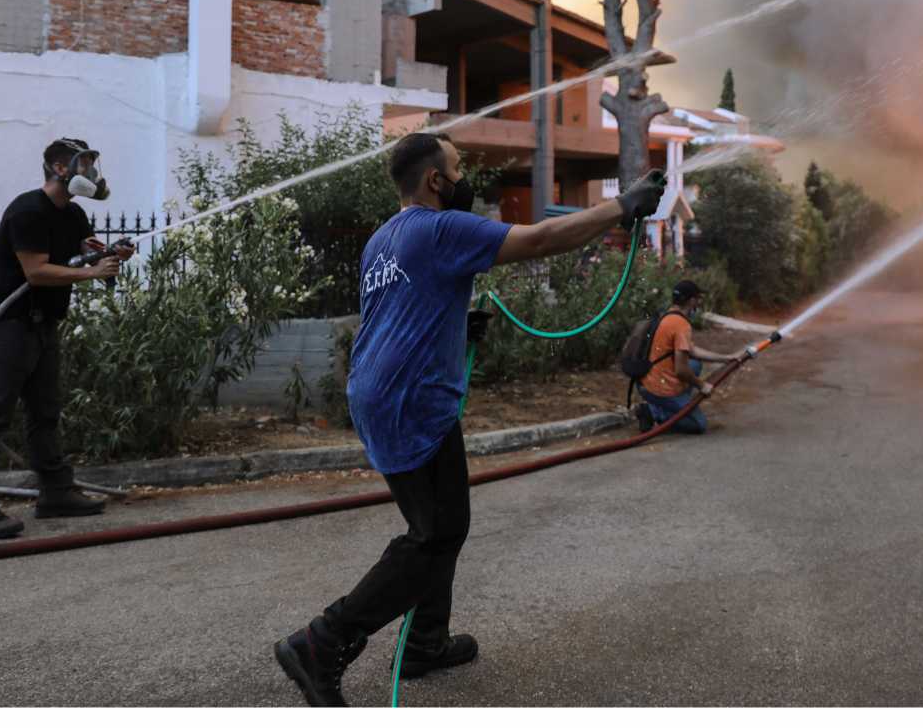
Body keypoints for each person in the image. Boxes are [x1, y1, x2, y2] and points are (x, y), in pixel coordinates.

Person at [274, 132, 666, 706]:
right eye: (457, 169)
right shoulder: (441, 227)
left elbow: (403, 309)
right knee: (436, 534)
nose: (463, 179)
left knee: (438, 525)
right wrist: (623, 207)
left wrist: (457, 327)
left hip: (380, 393)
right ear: (435, 180)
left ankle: (425, 642)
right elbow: (540, 238)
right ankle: (323, 639)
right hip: (413, 399)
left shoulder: (384, 238)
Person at [0, 138, 134, 539]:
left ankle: (55, 493)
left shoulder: (71, 214)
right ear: (59, 168)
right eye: (84, 164)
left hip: (43, 324)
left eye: (91, 164)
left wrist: (113, 253)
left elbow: (87, 248)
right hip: (10, 323)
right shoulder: (27, 210)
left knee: (45, 412)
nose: (91, 172)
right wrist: (92, 273)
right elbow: (36, 271)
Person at [633, 280, 740, 436]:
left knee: (695, 364)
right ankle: (654, 412)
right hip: (659, 389)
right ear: (691, 301)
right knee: (698, 425)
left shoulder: (667, 316)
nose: (699, 303)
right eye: (697, 299)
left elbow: (693, 350)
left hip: (645, 382)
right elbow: (681, 370)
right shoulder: (681, 325)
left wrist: (726, 358)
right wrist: (702, 385)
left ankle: (668, 404)